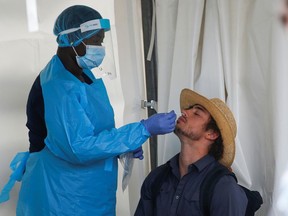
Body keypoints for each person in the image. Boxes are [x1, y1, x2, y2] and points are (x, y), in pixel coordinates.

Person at [0, 5, 177, 216]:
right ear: (70, 40)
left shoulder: (84, 75)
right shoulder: (59, 86)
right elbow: (78, 148)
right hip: (61, 196)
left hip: (89, 193)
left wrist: (121, 146)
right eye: (95, 41)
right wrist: (141, 129)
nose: (100, 48)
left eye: (102, 42)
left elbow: (91, 130)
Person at [135, 88, 248, 216]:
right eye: (189, 109)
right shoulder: (157, 177)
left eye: (197, 113)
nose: (184, 111)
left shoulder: (224, 188)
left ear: (212, 134)